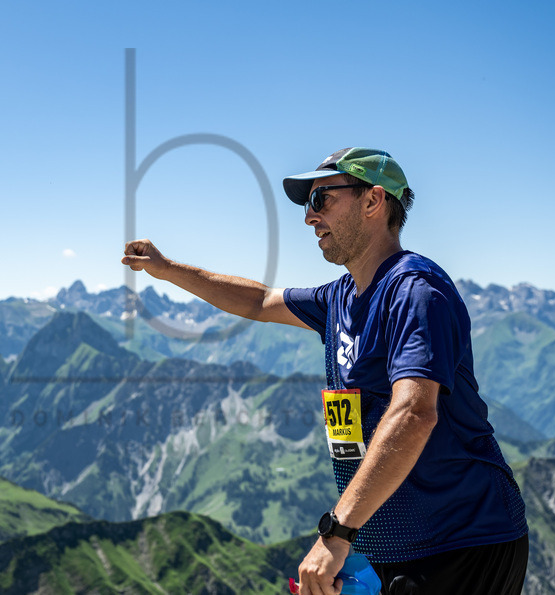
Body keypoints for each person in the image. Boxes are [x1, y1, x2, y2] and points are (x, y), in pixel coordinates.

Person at [121, 147, 529, 594]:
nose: (309, 218)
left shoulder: (414, 291)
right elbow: (257, 301)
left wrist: (336, 532)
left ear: (373, 201)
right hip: (393, 546)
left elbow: (415, 413)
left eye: (322, 200)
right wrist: (166, 269)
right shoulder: (340, 297)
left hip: (461, 544)